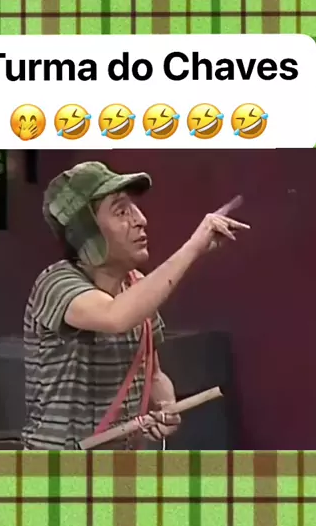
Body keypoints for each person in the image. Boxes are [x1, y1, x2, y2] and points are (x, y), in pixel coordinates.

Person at [22, 161, 249, 449]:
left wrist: (166, 407)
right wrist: (193, 247)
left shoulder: (136, 287)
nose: (141, 220)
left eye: (134, 208)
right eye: (121, 212)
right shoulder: (56, 284)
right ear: (85, 232)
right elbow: (115, 316)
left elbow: (152, 374)